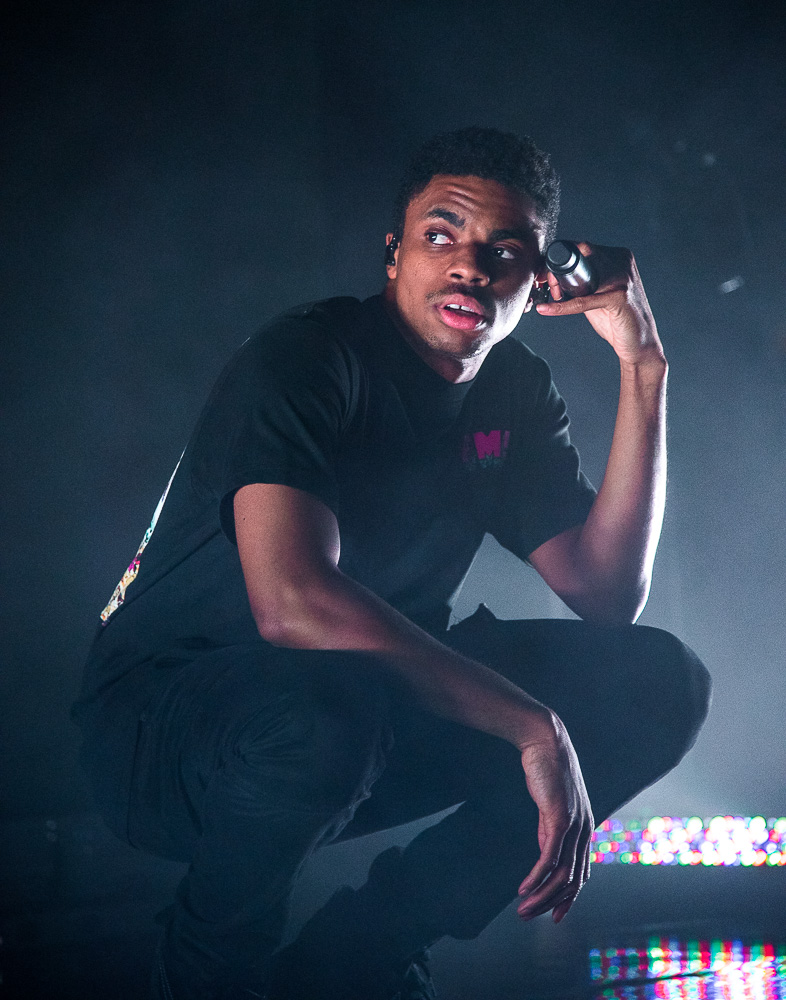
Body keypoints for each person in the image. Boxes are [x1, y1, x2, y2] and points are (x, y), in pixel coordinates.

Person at [72, 127, 711, 1000]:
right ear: (393, 254)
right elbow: (293, 605)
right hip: (166, 729)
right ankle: (208, 973)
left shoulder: (514, 389)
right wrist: (533, 726)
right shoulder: (307, 358)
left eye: (505, 250)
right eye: (440, 235)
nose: (469, 267)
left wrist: (645, 366)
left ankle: (359, 956)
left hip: (361, 708)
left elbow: (605, 594)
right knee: (324, 704)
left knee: (659, 682)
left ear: (541, 281)